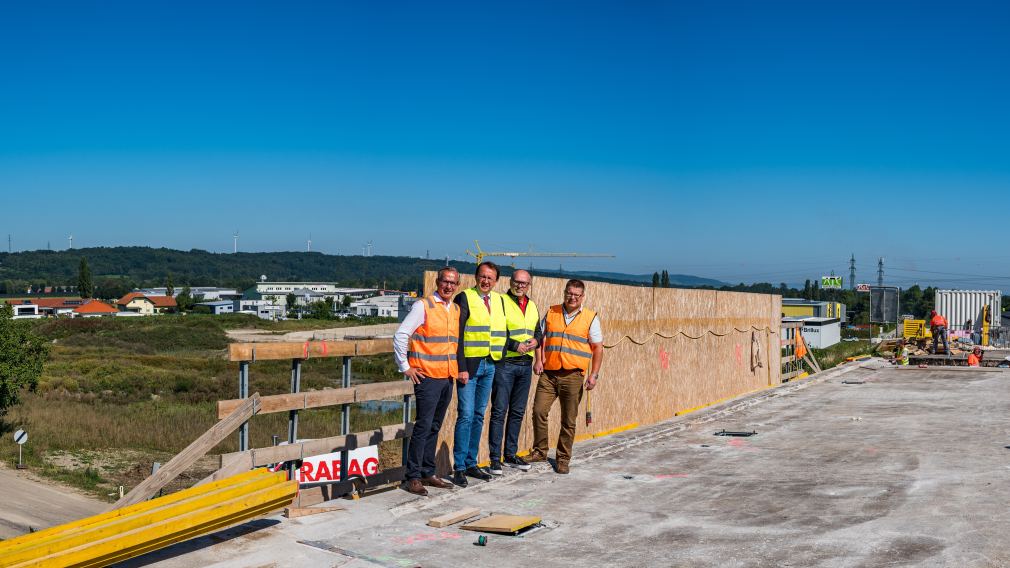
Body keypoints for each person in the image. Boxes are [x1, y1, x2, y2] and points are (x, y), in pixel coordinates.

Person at [393, 267, 461, 496]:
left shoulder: (455, 309)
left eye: (453, 283)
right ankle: (413, 477)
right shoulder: (424, 305)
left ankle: (428, 471)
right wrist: (405, 367)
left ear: (457, 285)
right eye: (445, 282)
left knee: (434, 426)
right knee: (423, 426)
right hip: (427, 376)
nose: (449, 286)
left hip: (446, 376)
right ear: (437, 281)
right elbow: (402, 334)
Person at [531, 279, 603, 474]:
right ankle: (540, 450)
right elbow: (540, 338)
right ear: (564, 293)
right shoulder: (551, 312)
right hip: (549, 373)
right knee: (539, 411)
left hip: (573, 376)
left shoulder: (590, 317)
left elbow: (597, 348)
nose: (572, 298)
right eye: (569, 293)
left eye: (577, 295)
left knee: (568, 420)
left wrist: (594, 375)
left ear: (583, 297)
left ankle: (563, 459)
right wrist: (538, 360)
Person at [451, 261, 507, 487]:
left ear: (496, 281)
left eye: (490, 278)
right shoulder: (464, 298)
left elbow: (501, 331)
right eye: (482, 276)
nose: (485, 281)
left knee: (478, 415)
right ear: (476, 277)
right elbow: (459, 335)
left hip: (490, 364)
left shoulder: (499, 300)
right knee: (465, 415)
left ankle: (471, 462)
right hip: (470, 366)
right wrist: (461, 367)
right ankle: (460, 467)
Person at [487, 269, 541, 476]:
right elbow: (495, 331)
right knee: (499, 411)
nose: (520, 286)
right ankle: (494, 459)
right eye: (517, 282)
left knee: (517, 412)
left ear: (529, 285)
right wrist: (513, 345)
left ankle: (510, 454)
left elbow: (537, 330)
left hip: (525, 365)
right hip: (506, 363)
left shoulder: (533, 305)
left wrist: (537, 340)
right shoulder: (500, 301)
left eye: (524, 283)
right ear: (510, 282)